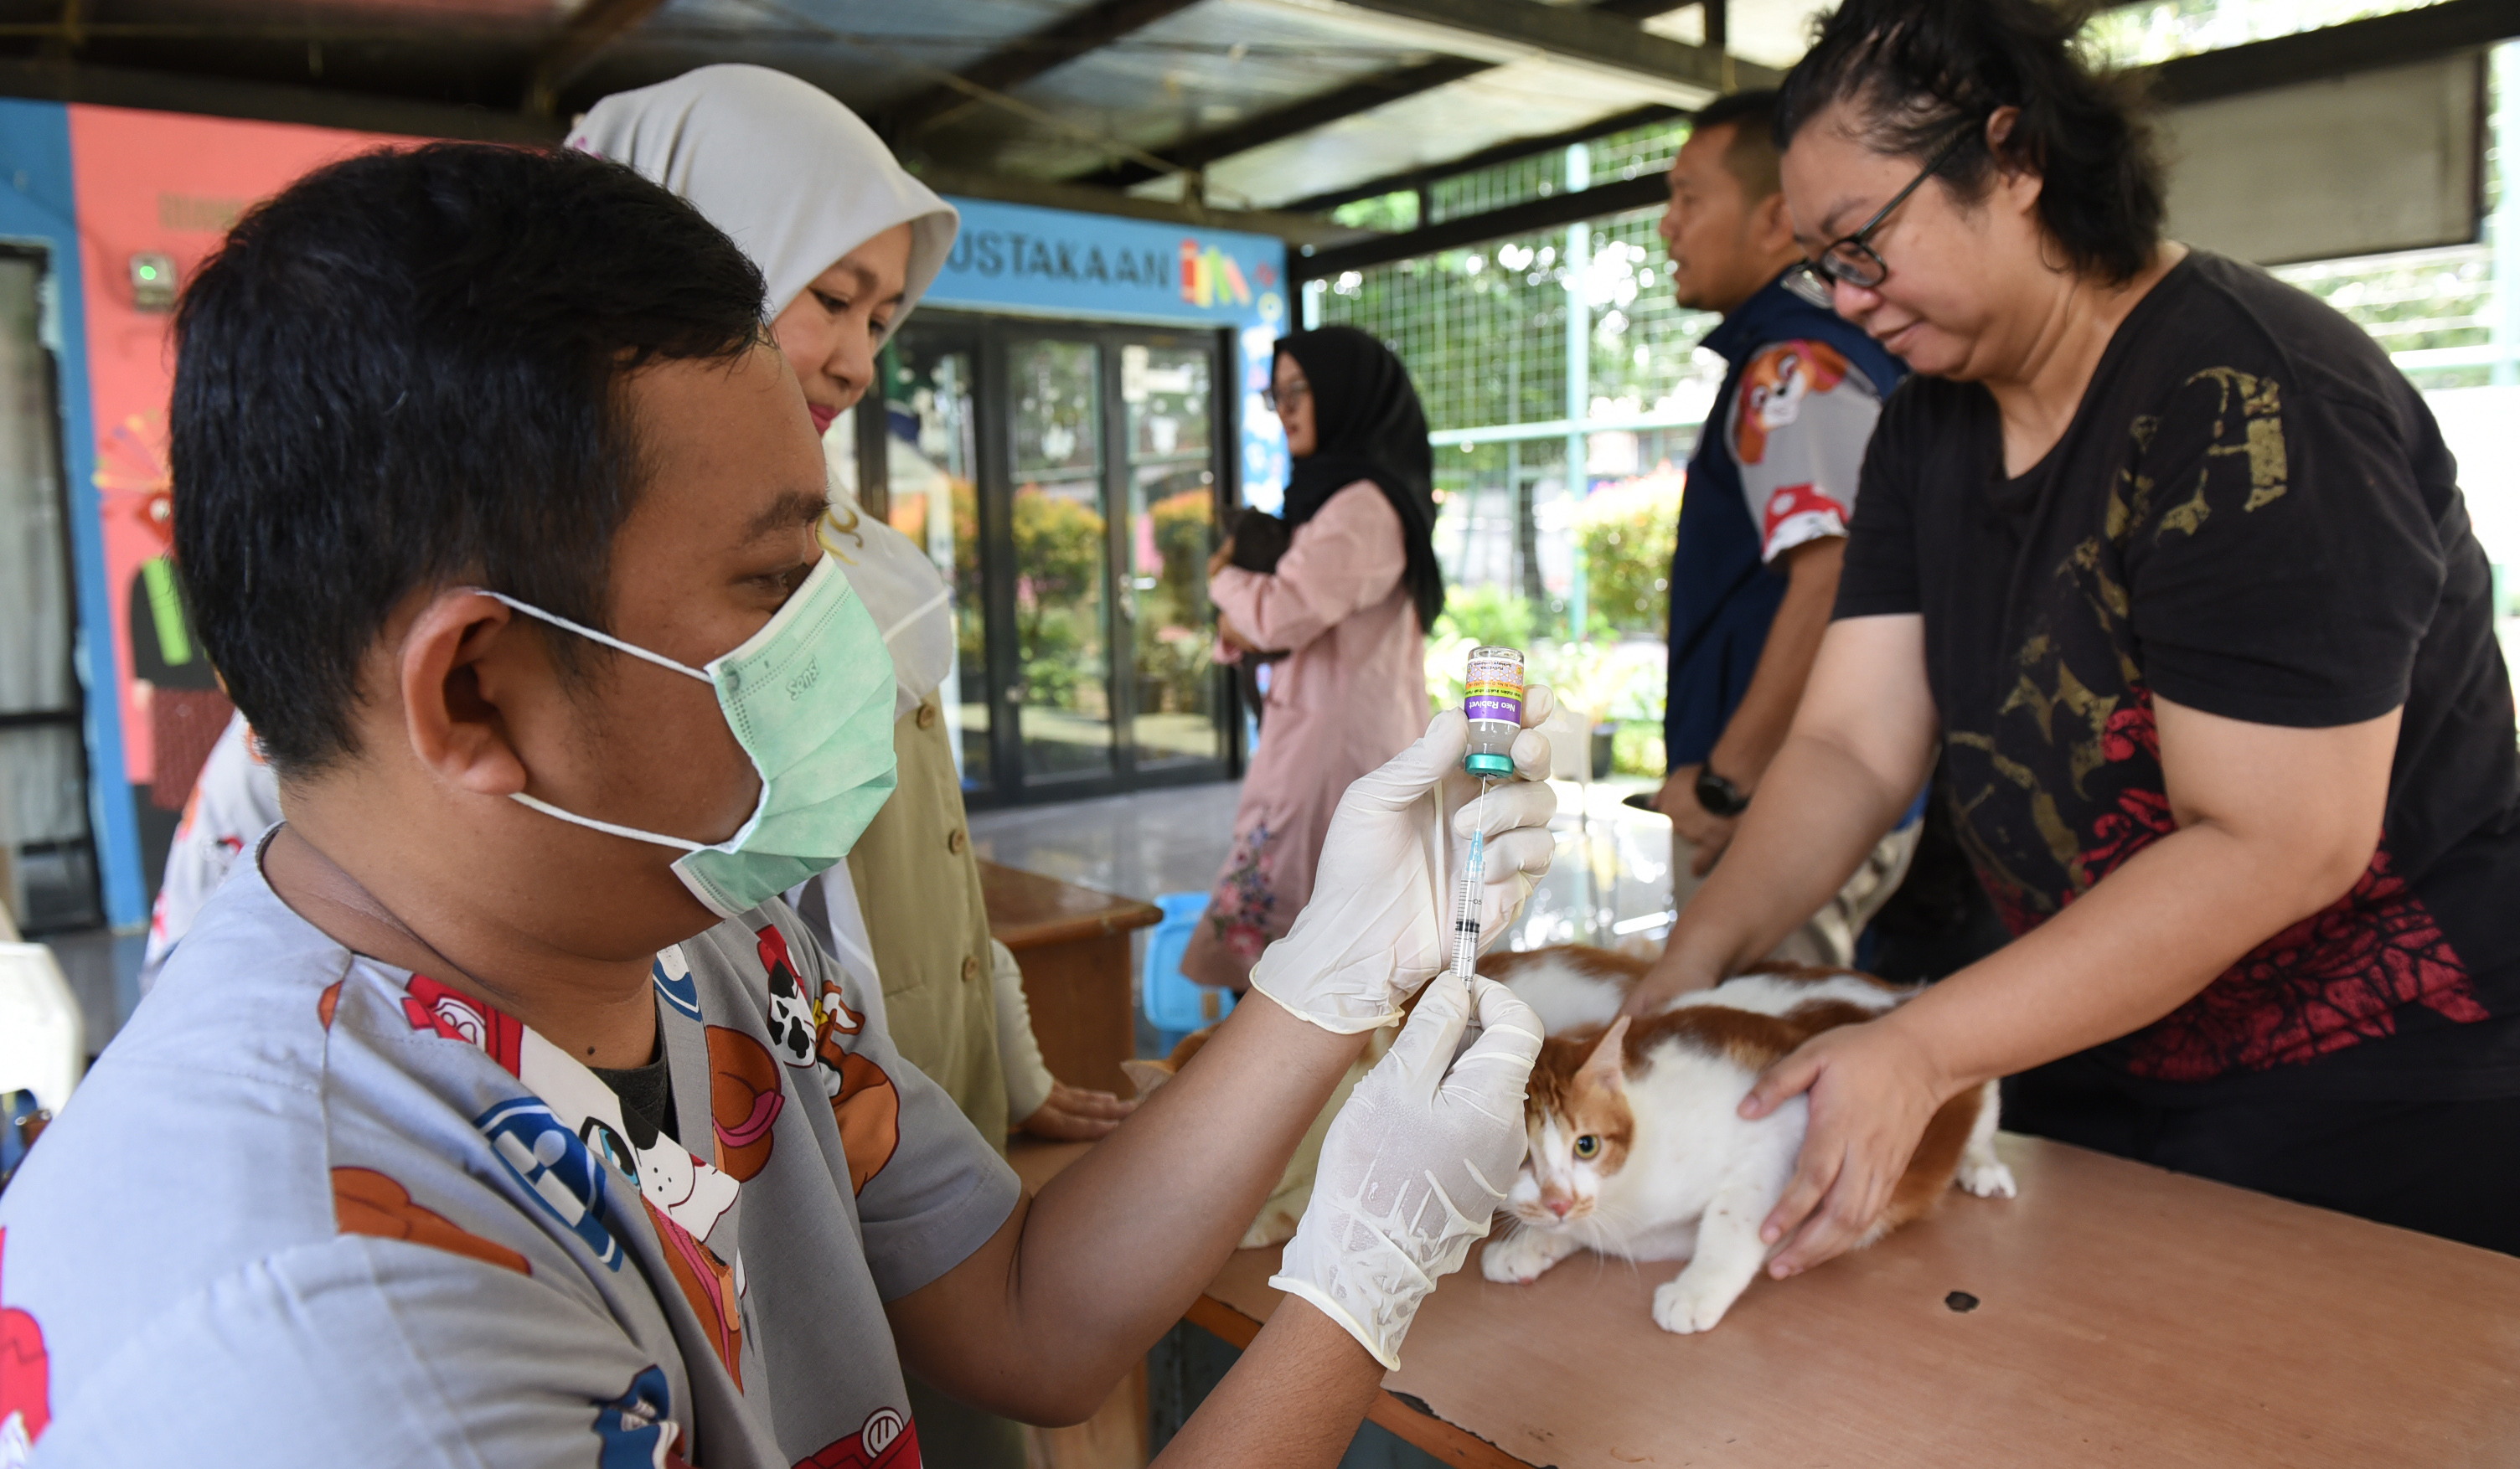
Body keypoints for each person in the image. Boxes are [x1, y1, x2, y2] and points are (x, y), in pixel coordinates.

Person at [0, 142, 1561, 1466]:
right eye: (771, 577)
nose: (836, 630)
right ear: (477, 689)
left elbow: (1023, 1309)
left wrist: (1329, 971)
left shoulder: (711, 932)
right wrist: (1357, 1277)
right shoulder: (343, 1339)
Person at [1629, 0, 2520, 1263]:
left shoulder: (2248, 401)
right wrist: (1698, 956)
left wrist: (1923, 1044)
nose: (1849, 297)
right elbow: (1848, 746)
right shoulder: (1928, 429)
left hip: (2366, 1097)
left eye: (1864, 243)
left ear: (2012, 158)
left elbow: (2283, 838)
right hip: (2091, 1053)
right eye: (1823, 265)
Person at [570, 66, 1133, 1153]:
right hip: (787, 1127)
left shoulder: (846, 540)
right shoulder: (617, 584)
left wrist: (1004, 1055)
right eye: (830, 299)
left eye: (883, 316)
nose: (861, 362)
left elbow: (932, 850)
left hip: (924, 1107)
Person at [1651, 88, 1915, 966]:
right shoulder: (1802, 350)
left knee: (1756, 1060)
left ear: (1775, 218)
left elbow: (1832, 571)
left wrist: (1728, 779)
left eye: (1687, 196)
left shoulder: (1791, 365)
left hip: (1783, 803)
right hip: (1813, 785)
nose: (1666, 227)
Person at [1181, 325, 1445, 989]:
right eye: (1278, 394)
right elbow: (1271, 622)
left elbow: (1280, 612)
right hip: (1323, 729)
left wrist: (1221, 579)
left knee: (1310, 936)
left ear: (1347, 393)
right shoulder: (1334, 495)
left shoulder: (1363, 505)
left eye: (1303, 390)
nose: (1288, 409)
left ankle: (1283, 1081)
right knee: (1304, 925)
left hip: (1339, 747)